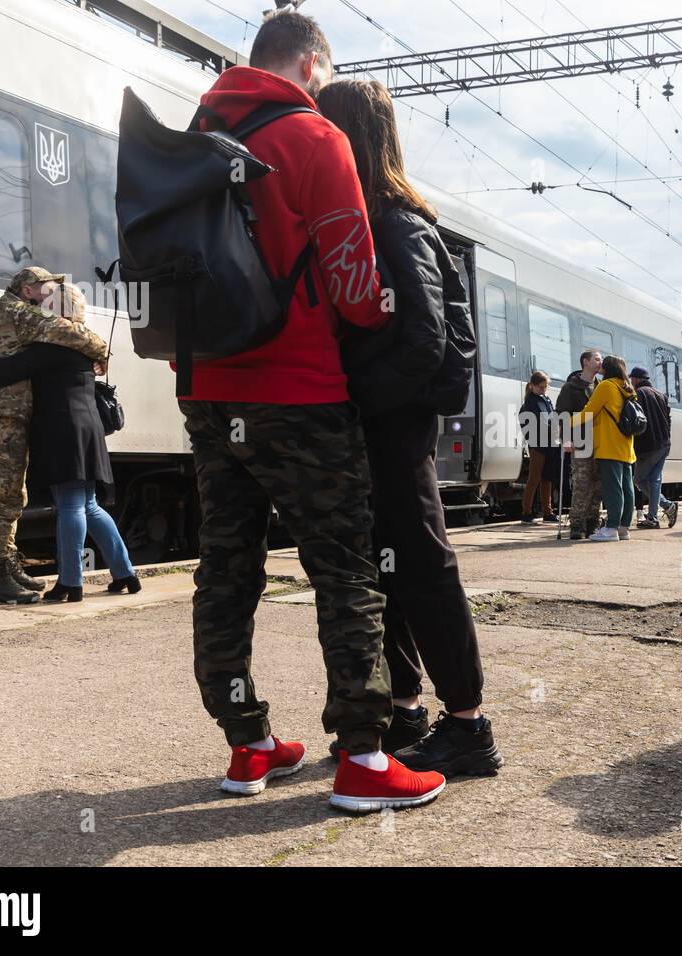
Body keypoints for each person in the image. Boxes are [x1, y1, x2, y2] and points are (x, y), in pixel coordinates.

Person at [177, 10, 444, 811]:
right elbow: (360, 295)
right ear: (312, 63)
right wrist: (379, 305)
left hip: (206, 389)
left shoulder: (193, 135)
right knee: (345, 570)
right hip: (297, 390)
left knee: (227, 566)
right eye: (324, 78)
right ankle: (364, 760)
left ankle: (248, 745)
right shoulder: (311, 135)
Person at [317, 76, 503, 777]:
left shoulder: (395, 220)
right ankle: (405, 708)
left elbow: (424, 339)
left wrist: (356, 397)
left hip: (395, 423)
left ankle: (469, 725)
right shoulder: (367, 215)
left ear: (348, 138)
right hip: (379, 421)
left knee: (422, 563)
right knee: (381, 564)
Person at [0, 285, 138, 603]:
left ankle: (71, 583)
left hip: (64, 431)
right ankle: (125, 572)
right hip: (88, 430)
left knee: (71, 505)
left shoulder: (53, 346)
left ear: (58, 311)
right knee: (90, 505)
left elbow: (6, 370)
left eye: (44, 306)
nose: (38, 312)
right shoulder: (80, 342)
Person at [575, 355, 638, 542]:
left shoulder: (606, 386)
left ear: (608, 368)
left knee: (613, 488)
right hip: (626, 445)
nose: (600, 366)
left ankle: (611, 528)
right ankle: (623, 528)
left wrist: (565, 423)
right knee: (627, 488)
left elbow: (588, 412)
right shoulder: (626, 387)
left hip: (609, 445)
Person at [555, 349, 603, 540]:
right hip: (580, 443)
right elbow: (562, 414)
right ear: (586, 362)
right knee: (582, 484)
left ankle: (593, 523)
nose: (600, 362)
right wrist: (566, 438)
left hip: (600, 443)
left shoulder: (601, 386)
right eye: (597, 359)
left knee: (598, 485)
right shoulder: (571, 387)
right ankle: (576, 524)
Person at [629, 366, 678, 529]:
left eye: (631, 379)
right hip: (664, 443)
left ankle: (657, 513)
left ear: (635, 379)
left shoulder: (639, 394)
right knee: (654, 479)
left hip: (648, 445)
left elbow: (637, 419)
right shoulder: (661, 395)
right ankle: (661, 511)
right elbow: (669, 420)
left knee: (639, 480)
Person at [518, 372, 558, 523]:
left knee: (547, 478)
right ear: (533, 385)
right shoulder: (529, 403)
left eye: (545, 387)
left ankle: (548, 511)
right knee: (534, 478)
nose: (544, 390)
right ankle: (526, 511)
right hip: (537, 444)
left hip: (549, 443)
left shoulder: (545, 399)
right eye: (541, 387)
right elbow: (528, 424)